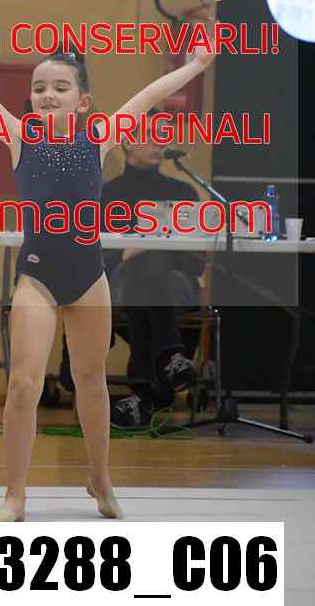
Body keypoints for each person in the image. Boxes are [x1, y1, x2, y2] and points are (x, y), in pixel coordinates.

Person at [0, 4, 216, 521]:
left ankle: (99, 478)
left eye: (59, 87)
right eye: (39, 87)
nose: (47, 95)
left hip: (87, 277)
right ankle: (15, 496)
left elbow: (148, 96)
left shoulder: (98, 139)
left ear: (82, 102)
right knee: (23, 383)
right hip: (38, 276)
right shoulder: (20, 137)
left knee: (92, 383)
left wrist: (195, 65)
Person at [100, 112, 206, 430]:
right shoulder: (106, 195)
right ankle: (170, 355)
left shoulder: (184, 194)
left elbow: (197, 262)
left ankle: (142, 395)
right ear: (127, 142)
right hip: (121, 281)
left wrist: (158, 251)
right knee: (143, 271)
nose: (160, 142)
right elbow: (92, 255)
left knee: (150, 269)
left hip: (172, 284)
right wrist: (125, 254)